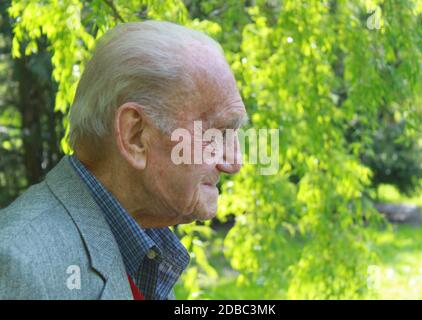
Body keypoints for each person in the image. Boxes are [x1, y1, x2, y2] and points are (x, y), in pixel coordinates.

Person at [0, 20, 247, 299]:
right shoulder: (20, 265)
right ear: (135, 136)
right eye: (217, 133)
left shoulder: (144, 248)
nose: (233, 163)